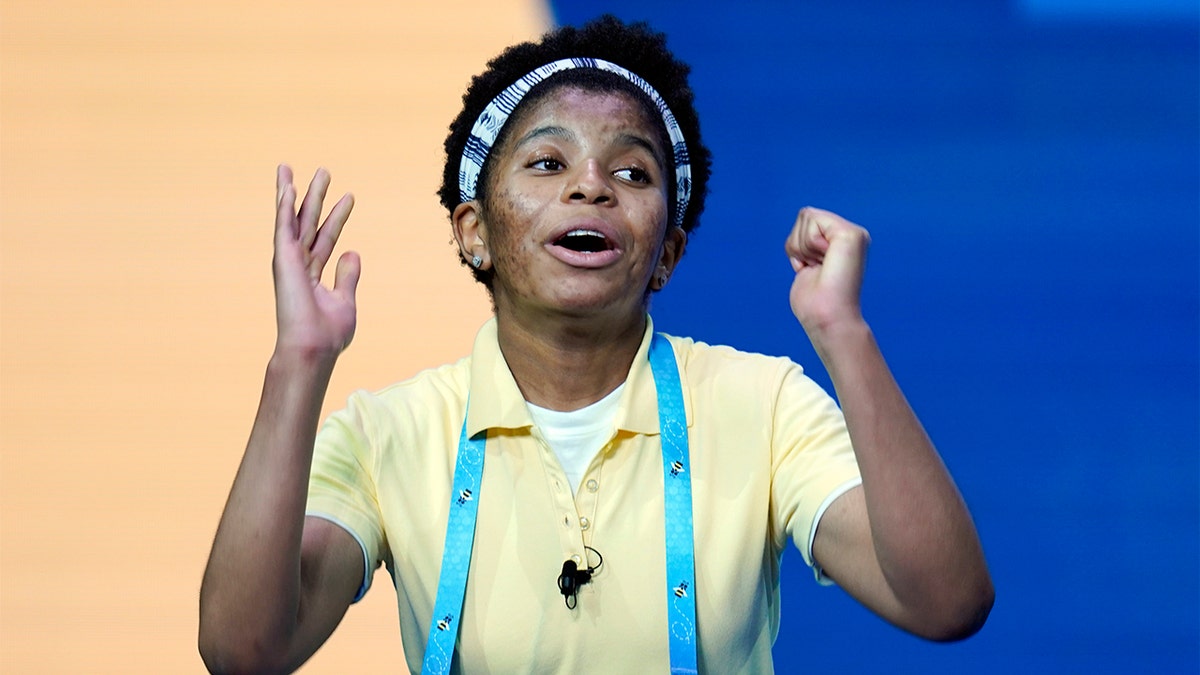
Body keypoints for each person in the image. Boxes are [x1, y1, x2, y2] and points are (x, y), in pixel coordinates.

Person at [199, 15, 993, 675]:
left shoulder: (763, 403)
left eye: (633, 173)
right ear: (473, 232)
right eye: (548, 162)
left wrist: (842, 333)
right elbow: (244, 649)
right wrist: (296, 364)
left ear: (668, 253)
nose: (591, 187)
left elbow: (946, 603)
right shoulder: (388, 433)